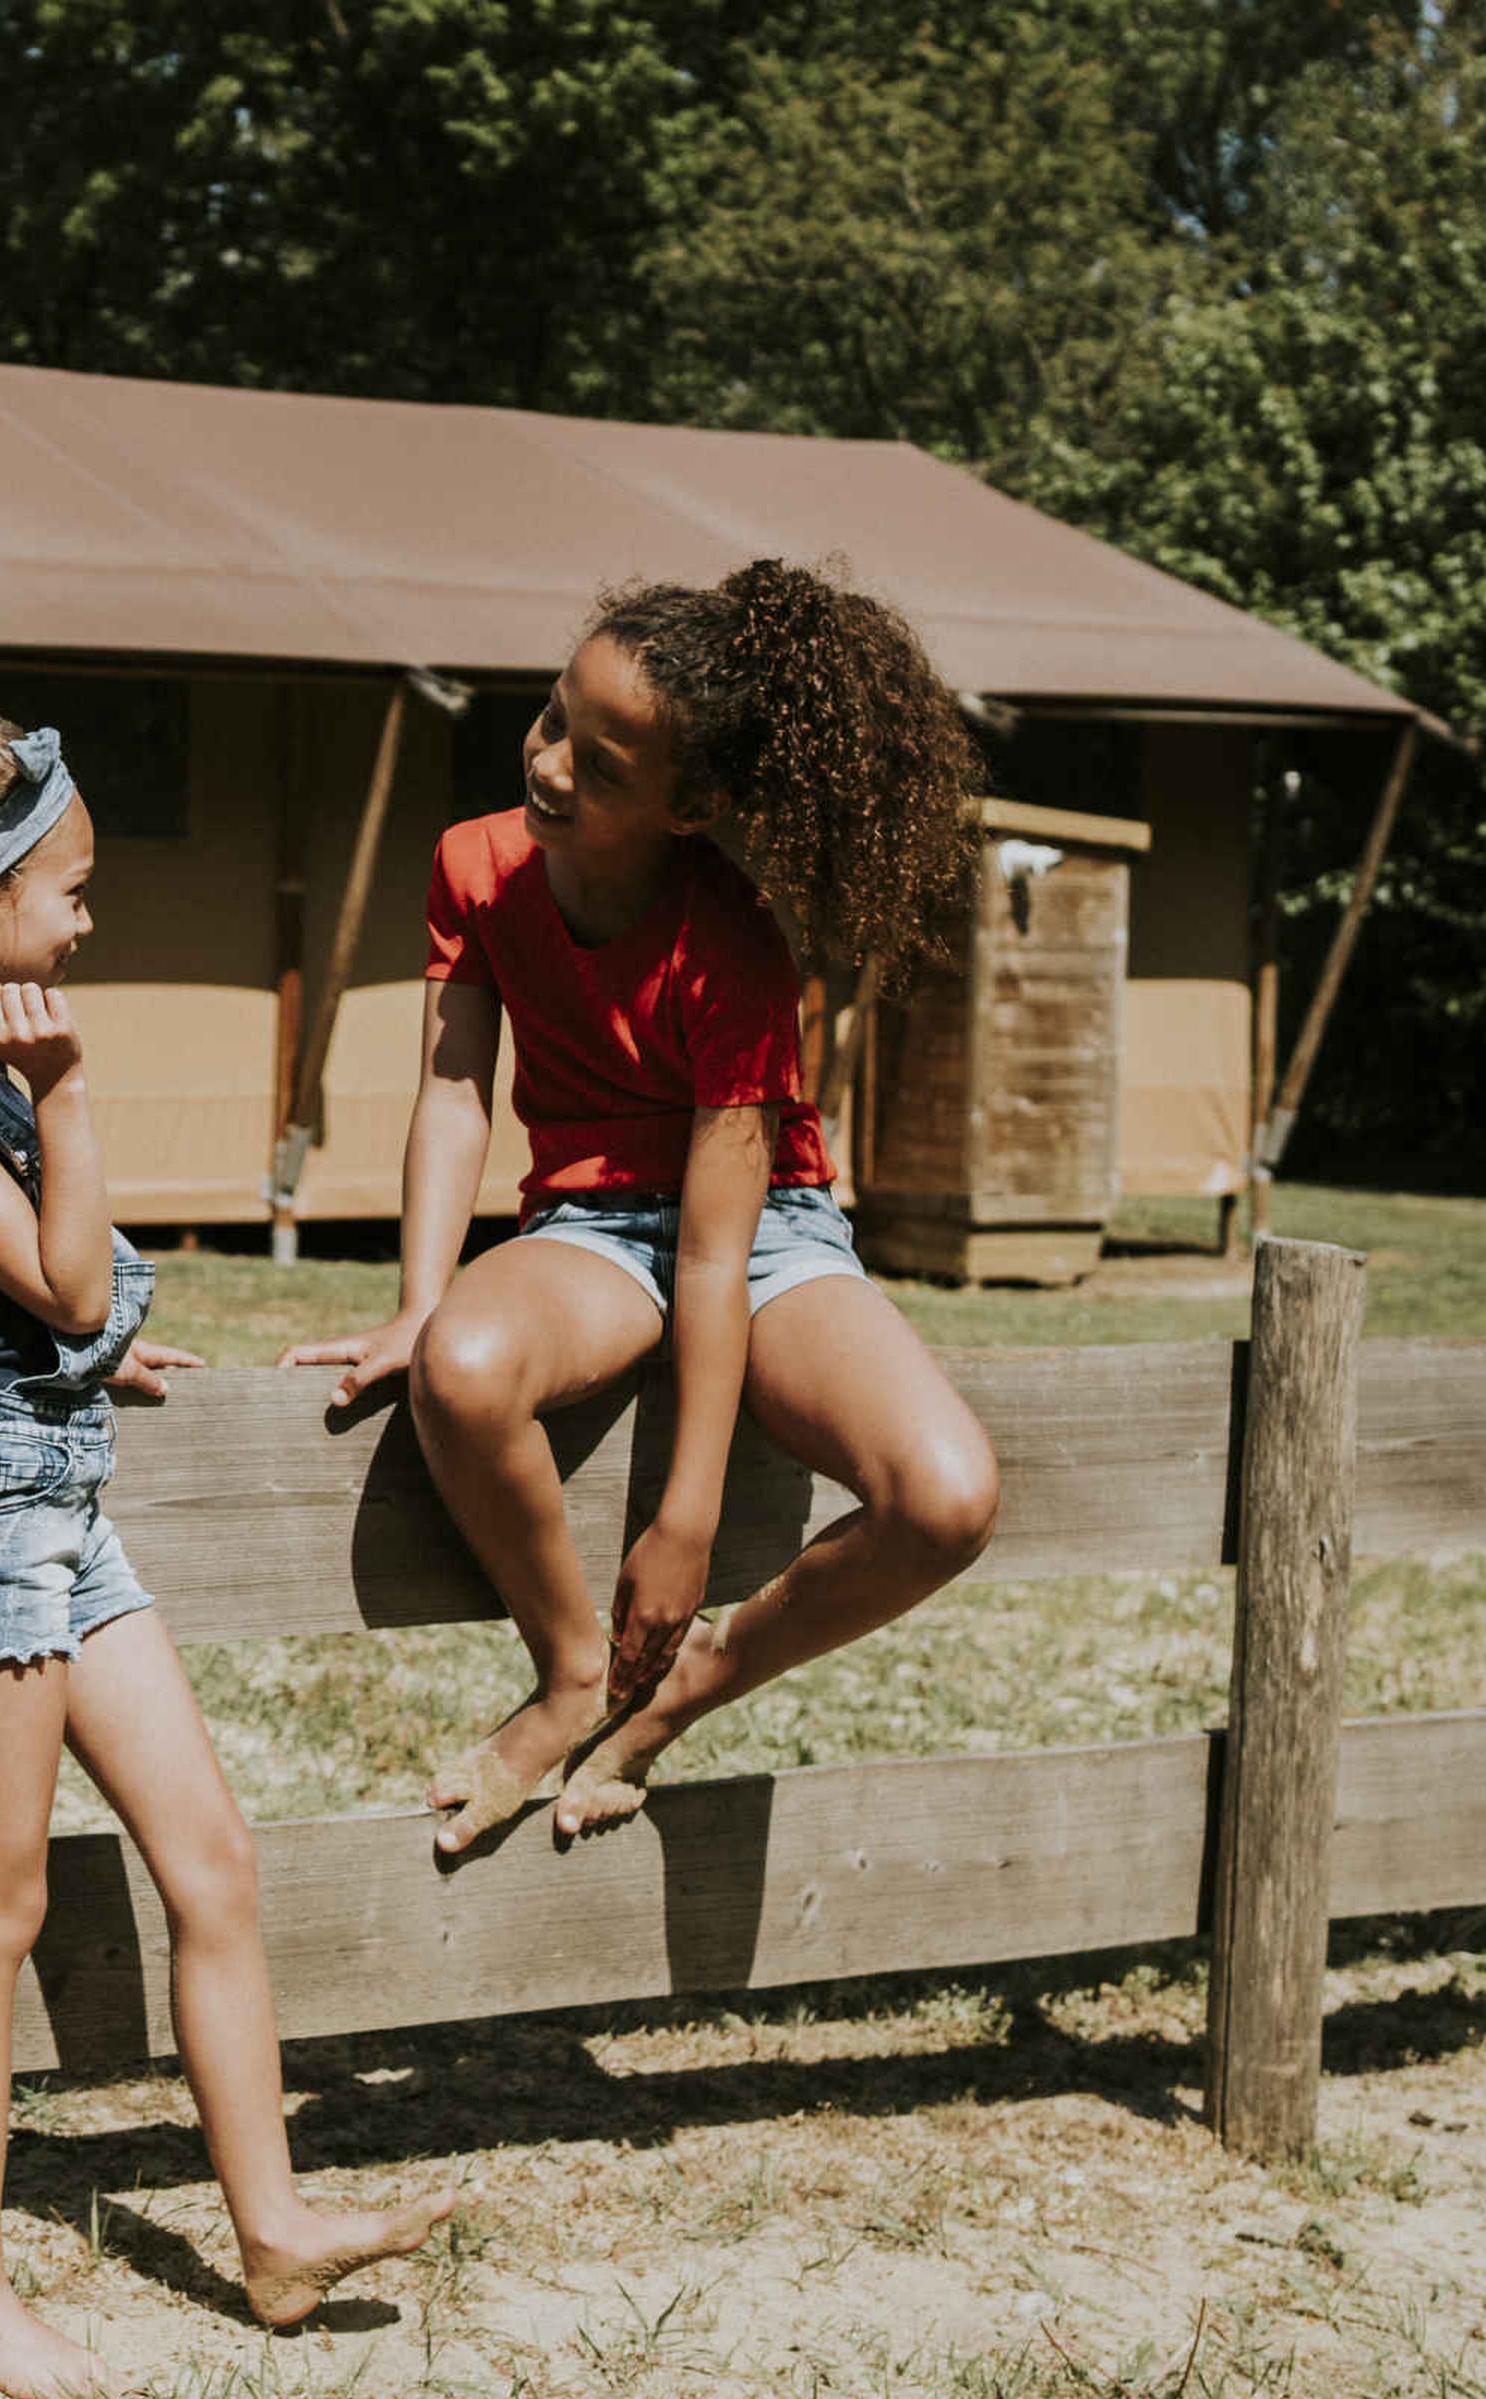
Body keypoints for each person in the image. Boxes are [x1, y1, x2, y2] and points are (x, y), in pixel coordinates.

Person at [0, 704, 453, 2399]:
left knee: (213, 1857)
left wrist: (52, 1328)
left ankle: (268, 2227)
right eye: (64, 890)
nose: (85, 918)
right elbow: (62, 1281)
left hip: (51, 1488)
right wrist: (65, 1103)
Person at [284, 561, 1003, 1856]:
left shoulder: (732, 946)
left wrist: (686, 1523)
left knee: (948, 1498)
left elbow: (720, 1261)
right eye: (554, 716)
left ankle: (680, 1697)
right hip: (591, 1229)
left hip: (763, 1230)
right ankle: (570, 1679)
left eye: (603, 765)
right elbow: (455, 1090)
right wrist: (417, 1299)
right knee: (461, 1365)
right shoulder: (476, 868)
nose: (553, 764)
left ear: (695, 806)